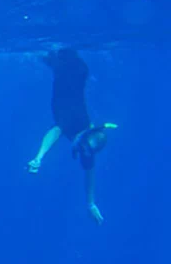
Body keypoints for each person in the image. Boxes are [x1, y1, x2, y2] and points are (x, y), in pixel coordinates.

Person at [26, 48, 116, 225]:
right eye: (82, 146)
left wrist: (90, 203)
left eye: (84, 150)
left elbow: (90, 172)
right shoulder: (74, 124)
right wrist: (39, 157)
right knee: (48, 52)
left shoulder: (87, 147)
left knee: (51, 55)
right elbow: (56, 131)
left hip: (75, 75)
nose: (81, 150)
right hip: (69, 72)